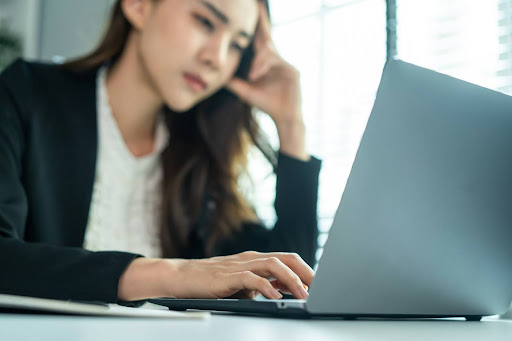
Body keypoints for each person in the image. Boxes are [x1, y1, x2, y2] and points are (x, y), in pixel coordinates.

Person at [0, 0, 321, 303]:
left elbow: (287, 284)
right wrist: (173, 274)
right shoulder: (26, 94)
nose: (218, 58)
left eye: (237, 44)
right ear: (138, 5)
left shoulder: (202, 158)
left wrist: (292, 126)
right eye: (206, 22)